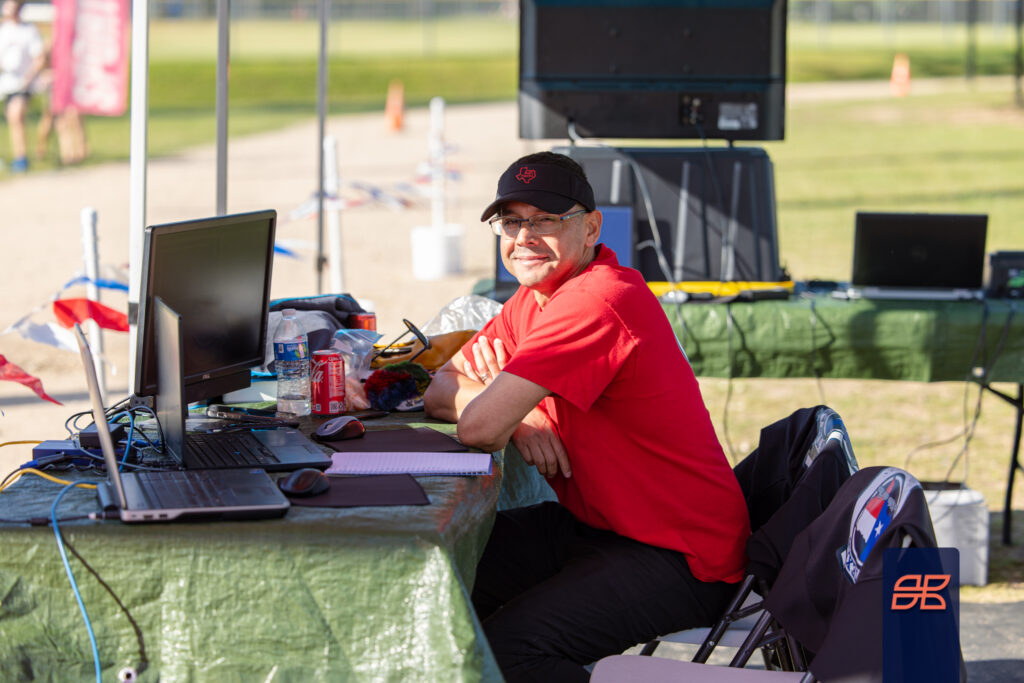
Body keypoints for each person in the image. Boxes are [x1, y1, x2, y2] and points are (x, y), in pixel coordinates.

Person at [423, 151, 751, 681]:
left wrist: (498, 409)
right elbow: (440, 387)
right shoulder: (535, 297)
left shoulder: (597, 298)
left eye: (545, 220)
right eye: (511, 222)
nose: (524, 237)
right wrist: (521, 418)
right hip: (603, 528)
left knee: (512, 652)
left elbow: (478, 429)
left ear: (591, 227)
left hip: (679, 554)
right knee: (438, 572)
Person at [0, 0, 45, 173]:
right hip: (5, 82)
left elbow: (39, 58)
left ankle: (21, 158)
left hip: (22, 84)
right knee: (12, 118)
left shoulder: (29, 31)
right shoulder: (3, 31)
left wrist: (29, 78)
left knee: (16, 115)